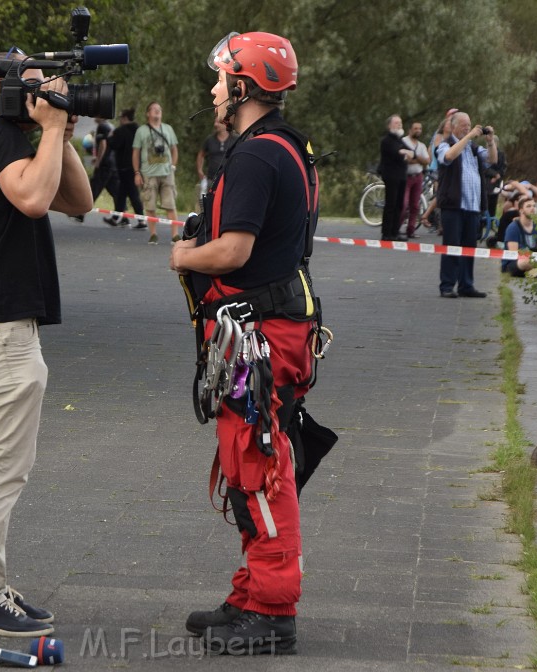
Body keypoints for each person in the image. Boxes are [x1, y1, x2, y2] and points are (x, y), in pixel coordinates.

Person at [170, 31, 336, 656]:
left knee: (260, 463)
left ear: (242, 86)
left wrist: (183, 254)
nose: (214, 90)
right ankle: (250, 591)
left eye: (220, 79)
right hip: (272, 329)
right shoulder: (285, 149)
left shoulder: (255, 156)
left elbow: (233, 251)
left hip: (262, 334)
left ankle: (272, 609)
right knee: (249, 460)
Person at [0, 50, 92, 637]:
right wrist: (48, 130)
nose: (45, 96)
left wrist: (61, 134)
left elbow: (77, 202)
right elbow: (33, 200)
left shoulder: (3, 139)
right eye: (36, 87)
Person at [435, 111, 497, 298]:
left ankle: (466, 285)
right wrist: (469, 137)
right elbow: (448, 157)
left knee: (469, 248)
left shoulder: (473, 148)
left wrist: (490, 141)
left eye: (469, 124)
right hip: (453, 205)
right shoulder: (445, 144)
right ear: (453, 126)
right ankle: (447, 285)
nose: (467, 128)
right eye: (463, 124)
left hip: (472, 206)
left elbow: (492, 159)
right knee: (451, 246)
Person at [132, 101, 179, 243]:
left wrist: (173, 166)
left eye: (159, 109)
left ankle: (175, 235)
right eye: (154, 109)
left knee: (170, 205)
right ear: (148, 114)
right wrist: (137, 172)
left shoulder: (168, 129)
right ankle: (153, 234)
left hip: (166, 173)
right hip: (149, 173)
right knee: (149, 205)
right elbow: (136, 153)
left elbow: (174, 149)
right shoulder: (141, 131)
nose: (157, 111)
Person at [105, 108, 143, 227]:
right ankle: (116, 217)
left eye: (121, 118)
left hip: (124, 166)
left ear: (125, 118)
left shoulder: (121, 131)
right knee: (121, 193)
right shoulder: (138, 130)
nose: (120, 120)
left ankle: (141, 220)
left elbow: (114, 144)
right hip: (135, 166)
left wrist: (110, 136)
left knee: (133, 194)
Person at [377, 115, 411, 241]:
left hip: (401, 175)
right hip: (391, 175)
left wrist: (406, 153)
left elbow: (410, 152)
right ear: (390, 125)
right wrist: (404, 153)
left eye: (400, 123)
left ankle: (395, 231)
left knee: (399, 204)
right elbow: (397, 152)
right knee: (391, 204)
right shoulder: (387, 140)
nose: (399, 125)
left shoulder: (400, 140)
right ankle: (386, 233)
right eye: (396, 123)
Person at [195, 118, 237, 208]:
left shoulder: (235, 139)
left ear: (225, 124)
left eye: (218, 122)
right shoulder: (210, 140)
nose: (215, 124)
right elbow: (201, 155)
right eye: (215, 122)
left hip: (229, 179)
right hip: (211, 179)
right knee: (208, 205)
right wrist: (199, 170)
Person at [501, 196, 537, 277]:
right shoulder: (513, 227)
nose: (532, 208)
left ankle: (535, 272)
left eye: (534, 206)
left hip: (534, 258)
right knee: (525, 261)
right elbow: (514, 253)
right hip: (514, 263)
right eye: (528, 206)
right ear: (521, 210)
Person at [400, 121, 429, 238]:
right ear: (410, 130)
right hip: (406, 176)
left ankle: (410, 230)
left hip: (418, 177)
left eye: (420, 129)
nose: (418, 131)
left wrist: (415, 157)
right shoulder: (403, 142)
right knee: (403, 204)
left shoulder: (421, 145)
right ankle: (396, 227)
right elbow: (405, 159)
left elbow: (427, 161)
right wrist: (418, 159)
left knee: (415, 205)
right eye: (415, 128)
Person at [88, 115, 119, 206]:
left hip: (104, 163)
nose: (94, 116)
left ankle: (81, 212)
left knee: (94, 187)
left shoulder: (102, 126)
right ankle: (122, 214)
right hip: (112, 163)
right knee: (116, 190)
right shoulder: (111, 126)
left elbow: (103, 144)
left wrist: (98, 161)